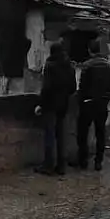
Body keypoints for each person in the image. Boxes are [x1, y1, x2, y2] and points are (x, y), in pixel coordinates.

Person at [34, 42, 76, 175]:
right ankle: (61, 166)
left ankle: (48, 165)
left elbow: (46, 88)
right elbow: (73, 88)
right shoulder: (69, 65)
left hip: (50, 105)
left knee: (49, 135)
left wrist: (40, 104)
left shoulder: (50, 65)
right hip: (63, 105)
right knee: (61, 135)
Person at [74, 39, 110, 172]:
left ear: (89, 50)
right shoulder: (109, 66)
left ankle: (83, 161)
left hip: (88, 103)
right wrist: (105, 99)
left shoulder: (87, 66)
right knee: (100, 133)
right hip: (102, 104)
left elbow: (82, 87)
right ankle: (98, 162)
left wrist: (81, 100)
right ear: (99, 50)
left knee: (82, 133)